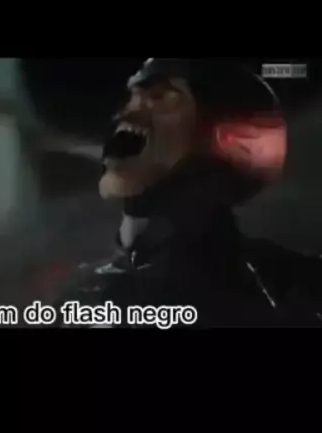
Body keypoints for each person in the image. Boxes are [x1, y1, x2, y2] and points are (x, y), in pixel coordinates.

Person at [53, 58, 322, 328]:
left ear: (228, 138)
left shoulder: (284, 289)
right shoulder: (83, 295)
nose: (126, 113)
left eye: (162, 98)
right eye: (131, 98)